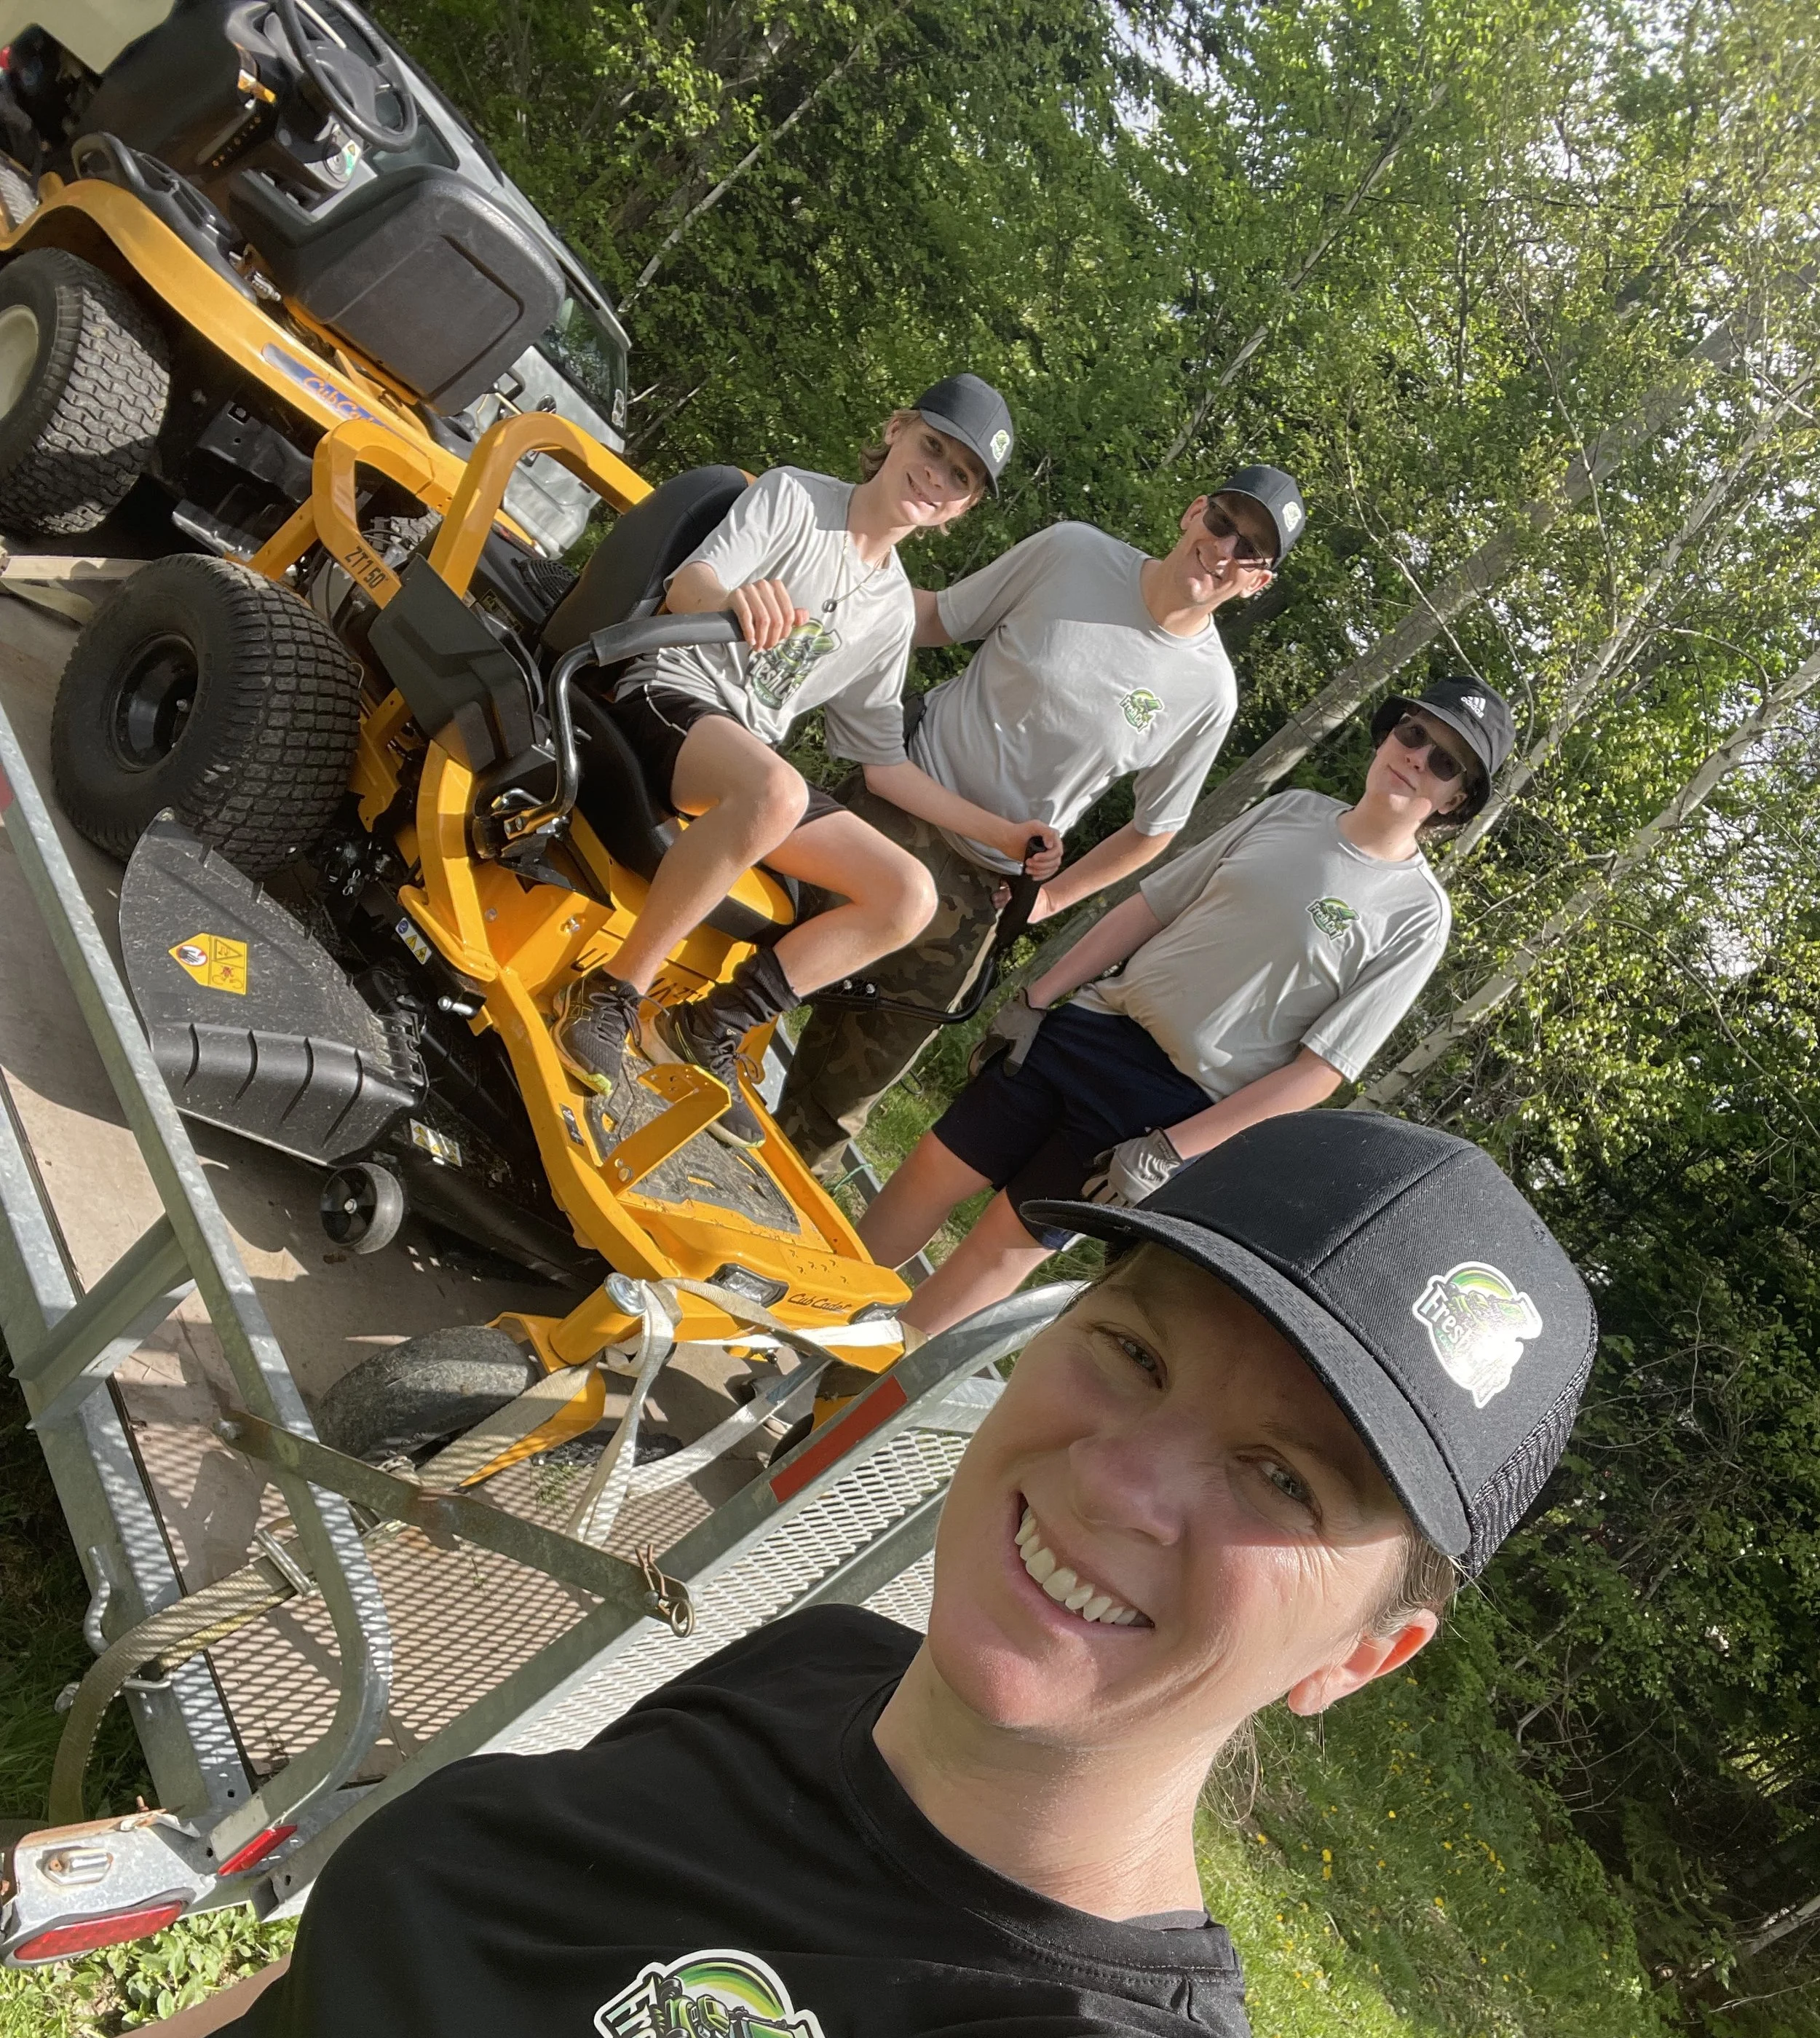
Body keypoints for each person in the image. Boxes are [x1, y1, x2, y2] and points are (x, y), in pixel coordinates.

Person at [0, 1108, 1597, 2038]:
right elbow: (360, 1994)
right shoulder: (818, 1667)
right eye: (1132, 1349)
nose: (1122, 1480)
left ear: (1359, 1656)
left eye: (1280, 1477)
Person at [858, 674, 1515, 1336]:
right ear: (1388, 734)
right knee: (932, 1170)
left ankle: (852, 1390)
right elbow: (1152, 905)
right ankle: (813, 1314)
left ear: (1456, 801)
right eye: (1413, 733)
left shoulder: (1418, 916)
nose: (1417, 758)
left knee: (1004, 1243)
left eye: (1444, 762)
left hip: (1165, 1109)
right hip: (1093, 1025)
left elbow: (1319, 1072)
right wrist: (1036, 999)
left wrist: (1172, 1150)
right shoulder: (1291, 809)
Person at [553, 374, 1058, 1148]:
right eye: (932, 448)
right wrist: (731, 601)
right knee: (778, 791)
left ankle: (709, 1027)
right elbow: (691, 585)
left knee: (909, 896)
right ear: (896, 430)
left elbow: (883, 763)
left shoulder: (891, 610)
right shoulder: (794, 498)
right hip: (667, 691)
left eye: (959, 477)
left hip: (749, 763)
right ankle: (614, 993)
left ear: (962, 508)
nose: (936, 477)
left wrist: (1005, 834)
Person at [775, 465, 1306, 1177]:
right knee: (737, 964)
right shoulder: (1072, 552)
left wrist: (1049, 900)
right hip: (888, 806)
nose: (1225, 550)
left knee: (832, 1107)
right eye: (1222, 523)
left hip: (976, 897)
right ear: (1193, 512)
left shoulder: (1208, 694)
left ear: (1258, 583)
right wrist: (819, 575)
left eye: (1249, 551)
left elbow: (1156, 829)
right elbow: (933, 619)